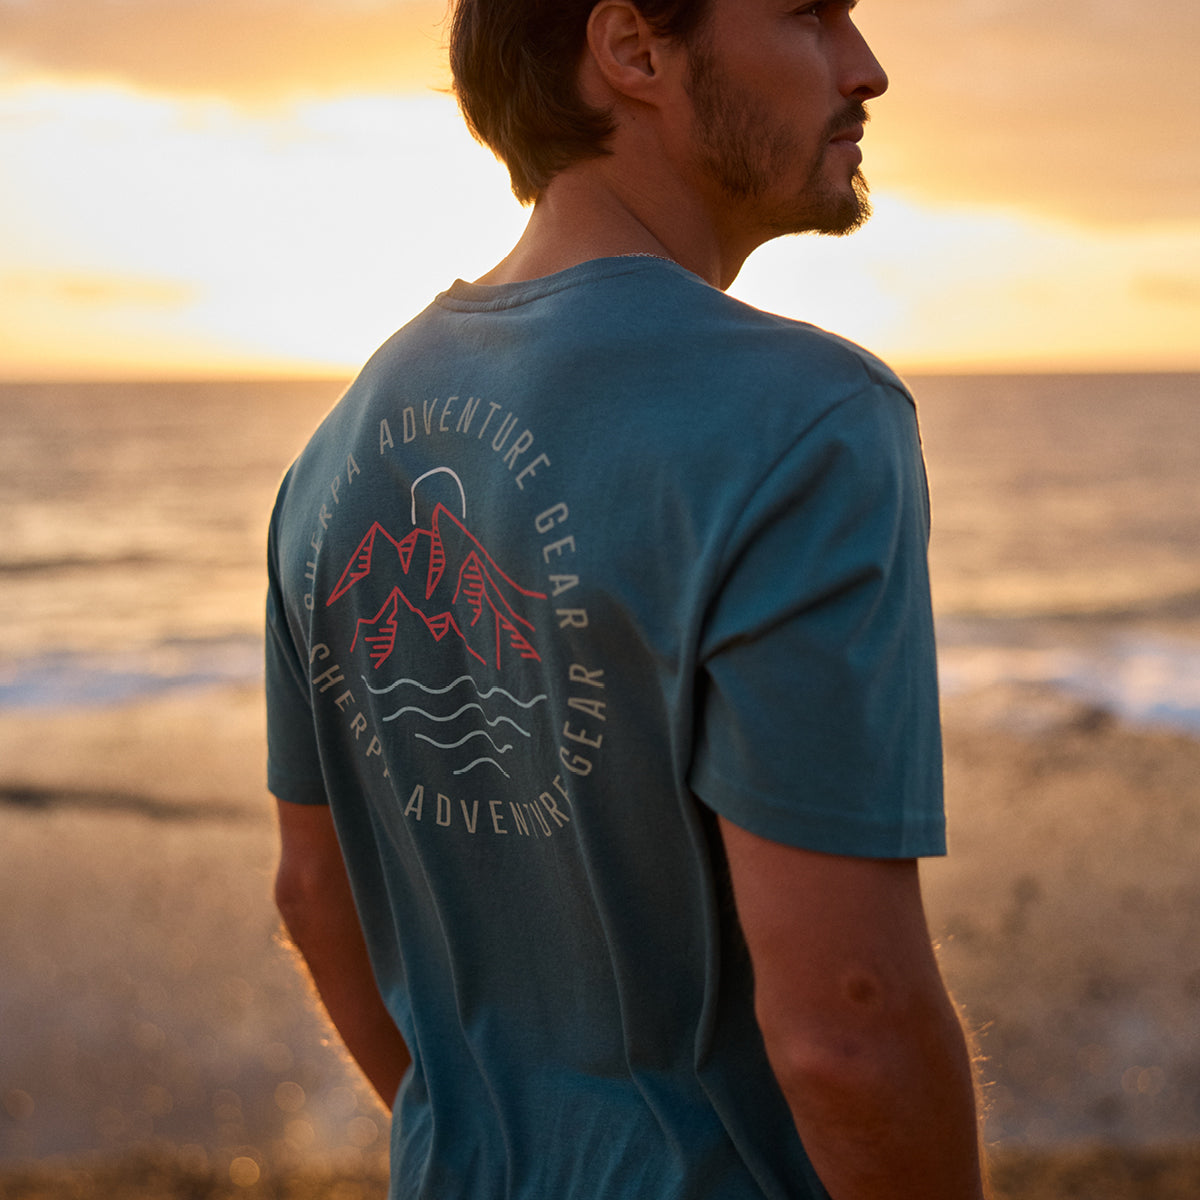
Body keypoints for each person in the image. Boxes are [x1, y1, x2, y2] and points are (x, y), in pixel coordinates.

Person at [265, 0, 990, 1196]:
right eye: (810, 15)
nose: (866, 69)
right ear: (634, 50)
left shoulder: (336, 451)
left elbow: (312, 891)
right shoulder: (804, 419)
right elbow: (849, 1026)